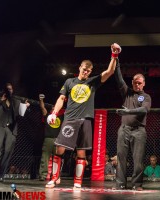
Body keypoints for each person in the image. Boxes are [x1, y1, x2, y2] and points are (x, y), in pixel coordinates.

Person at [45, 43, 121, 189]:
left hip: (85, 120)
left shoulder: (92, 82)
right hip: (70, 119)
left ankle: (78, 182)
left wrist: (114, 55)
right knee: (59, 148)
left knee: (81, 152)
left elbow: (110, 71)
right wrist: (54, 113)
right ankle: (54, 178)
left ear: (91, 71)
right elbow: (61, 99)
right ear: (80, 67)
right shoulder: (69, 82)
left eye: (89, 71)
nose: (86, 72)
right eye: (84, 69)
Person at [112, 61, 152, 191]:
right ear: (132, 83)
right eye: (135, 82)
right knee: (121, 158)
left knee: (138, 160)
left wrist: (128, 111)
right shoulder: (127, 93)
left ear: (144, 83)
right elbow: (119, 78)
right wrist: (117, 61)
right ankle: (120, 184)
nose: (137, 85)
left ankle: (137, 184)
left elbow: (144, 110)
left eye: (139, 83)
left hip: (139, 131)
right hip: (124, 129)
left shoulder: (146, 97)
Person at [0, 82, 30, 182]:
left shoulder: (16, 101)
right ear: (4, 90)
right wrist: (0, 100)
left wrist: (26, 106)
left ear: (13, 90)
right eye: (7, 89)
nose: (9, 91)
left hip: (11, 130)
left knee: (7, 152)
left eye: (11, 89)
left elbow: (21, 113)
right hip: (0, 128)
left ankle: (1, 175)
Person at [38, 94, 64, 181]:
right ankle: (43, 175)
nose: (54, 109)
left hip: (58, 140)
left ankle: (56, 176)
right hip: (48, 139)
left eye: (55, 107)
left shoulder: (61, 117)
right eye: (53, 108)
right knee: (45, 157)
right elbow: (42, 108)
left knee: (57, 158)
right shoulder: (48, 116)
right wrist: (41, 100)